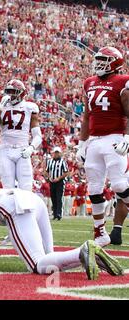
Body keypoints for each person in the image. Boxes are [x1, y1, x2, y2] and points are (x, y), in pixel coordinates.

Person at [76, 46, 129, 246]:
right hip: (94, 141)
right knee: (94, 189)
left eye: (103, 60)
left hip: (114, 138)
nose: (98, 63)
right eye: (98, 59)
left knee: (119, 185)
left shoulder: (123, 81)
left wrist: (127, 138)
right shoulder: (89, 82)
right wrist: (81, 143)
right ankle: (100, 234)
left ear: (115, 63)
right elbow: (87, 116)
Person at [0, 79, 42, 191]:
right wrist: (1, 107)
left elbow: (38, 136)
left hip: (22, 149)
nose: (11, 95)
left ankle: (25, 209)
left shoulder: (29, 107)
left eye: (14, 92)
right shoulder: (1, 106)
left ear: (22, 93)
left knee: (26, 188)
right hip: (5, 150)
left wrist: (31, 148)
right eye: (9, 91)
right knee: (8, 189)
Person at [44, 147, 70, 220]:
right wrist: (49, 177)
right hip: (52, 182)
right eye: (55, 152)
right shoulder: (50, 161)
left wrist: (58, 178)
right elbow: (46, 171)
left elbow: (66, 172)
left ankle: (59, 213)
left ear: (60, 153)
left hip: (60, 182)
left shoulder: (63, 162)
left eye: (57, 152)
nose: (56, 154)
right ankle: (55, 214)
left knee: (59, 198)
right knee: (53, 198)